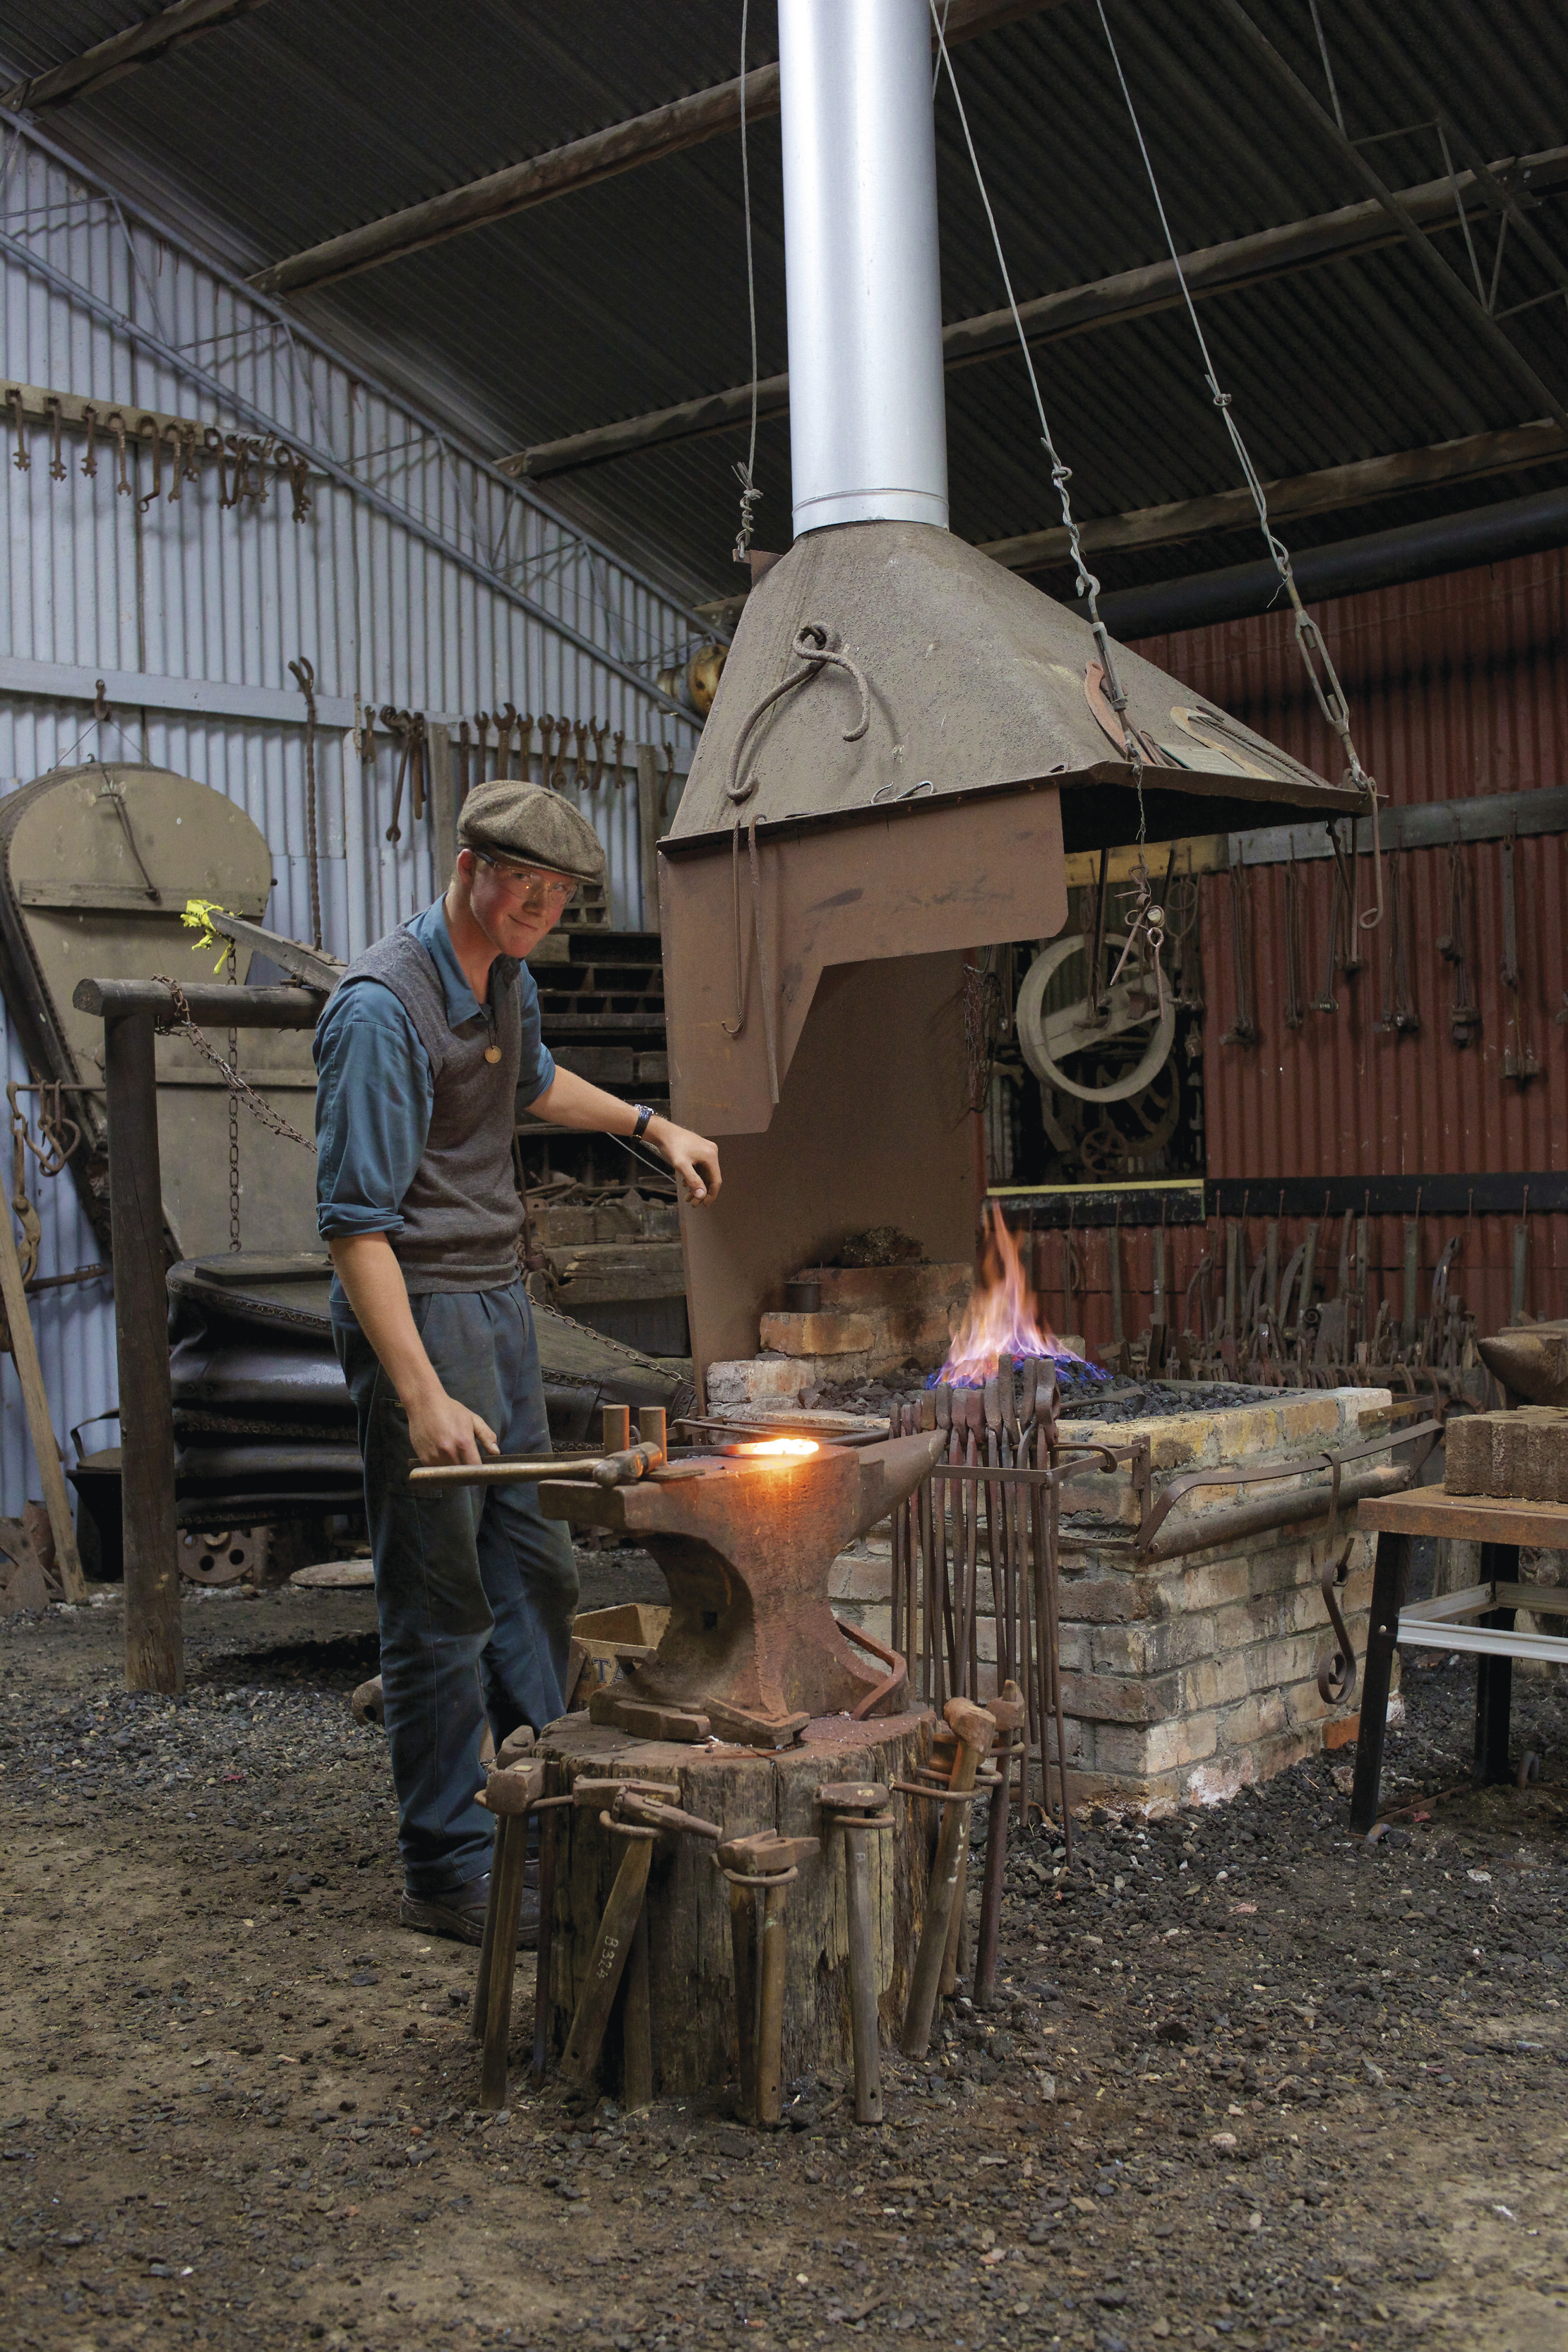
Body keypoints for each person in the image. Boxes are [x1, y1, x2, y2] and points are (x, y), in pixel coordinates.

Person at [313, 779, 721, 1946]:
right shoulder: (380, 1011)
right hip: (421, 1316)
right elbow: (356, 1228)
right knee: (439, 1603)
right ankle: (446, 1865)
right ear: (468, 866)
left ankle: (542, 1814)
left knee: (533, 1574)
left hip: (496, 1304)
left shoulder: (506, 975)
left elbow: (532, 1082)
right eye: (523, 887)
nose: (541, 908)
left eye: (559, 897)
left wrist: (651, 1124)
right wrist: (420, 1391)